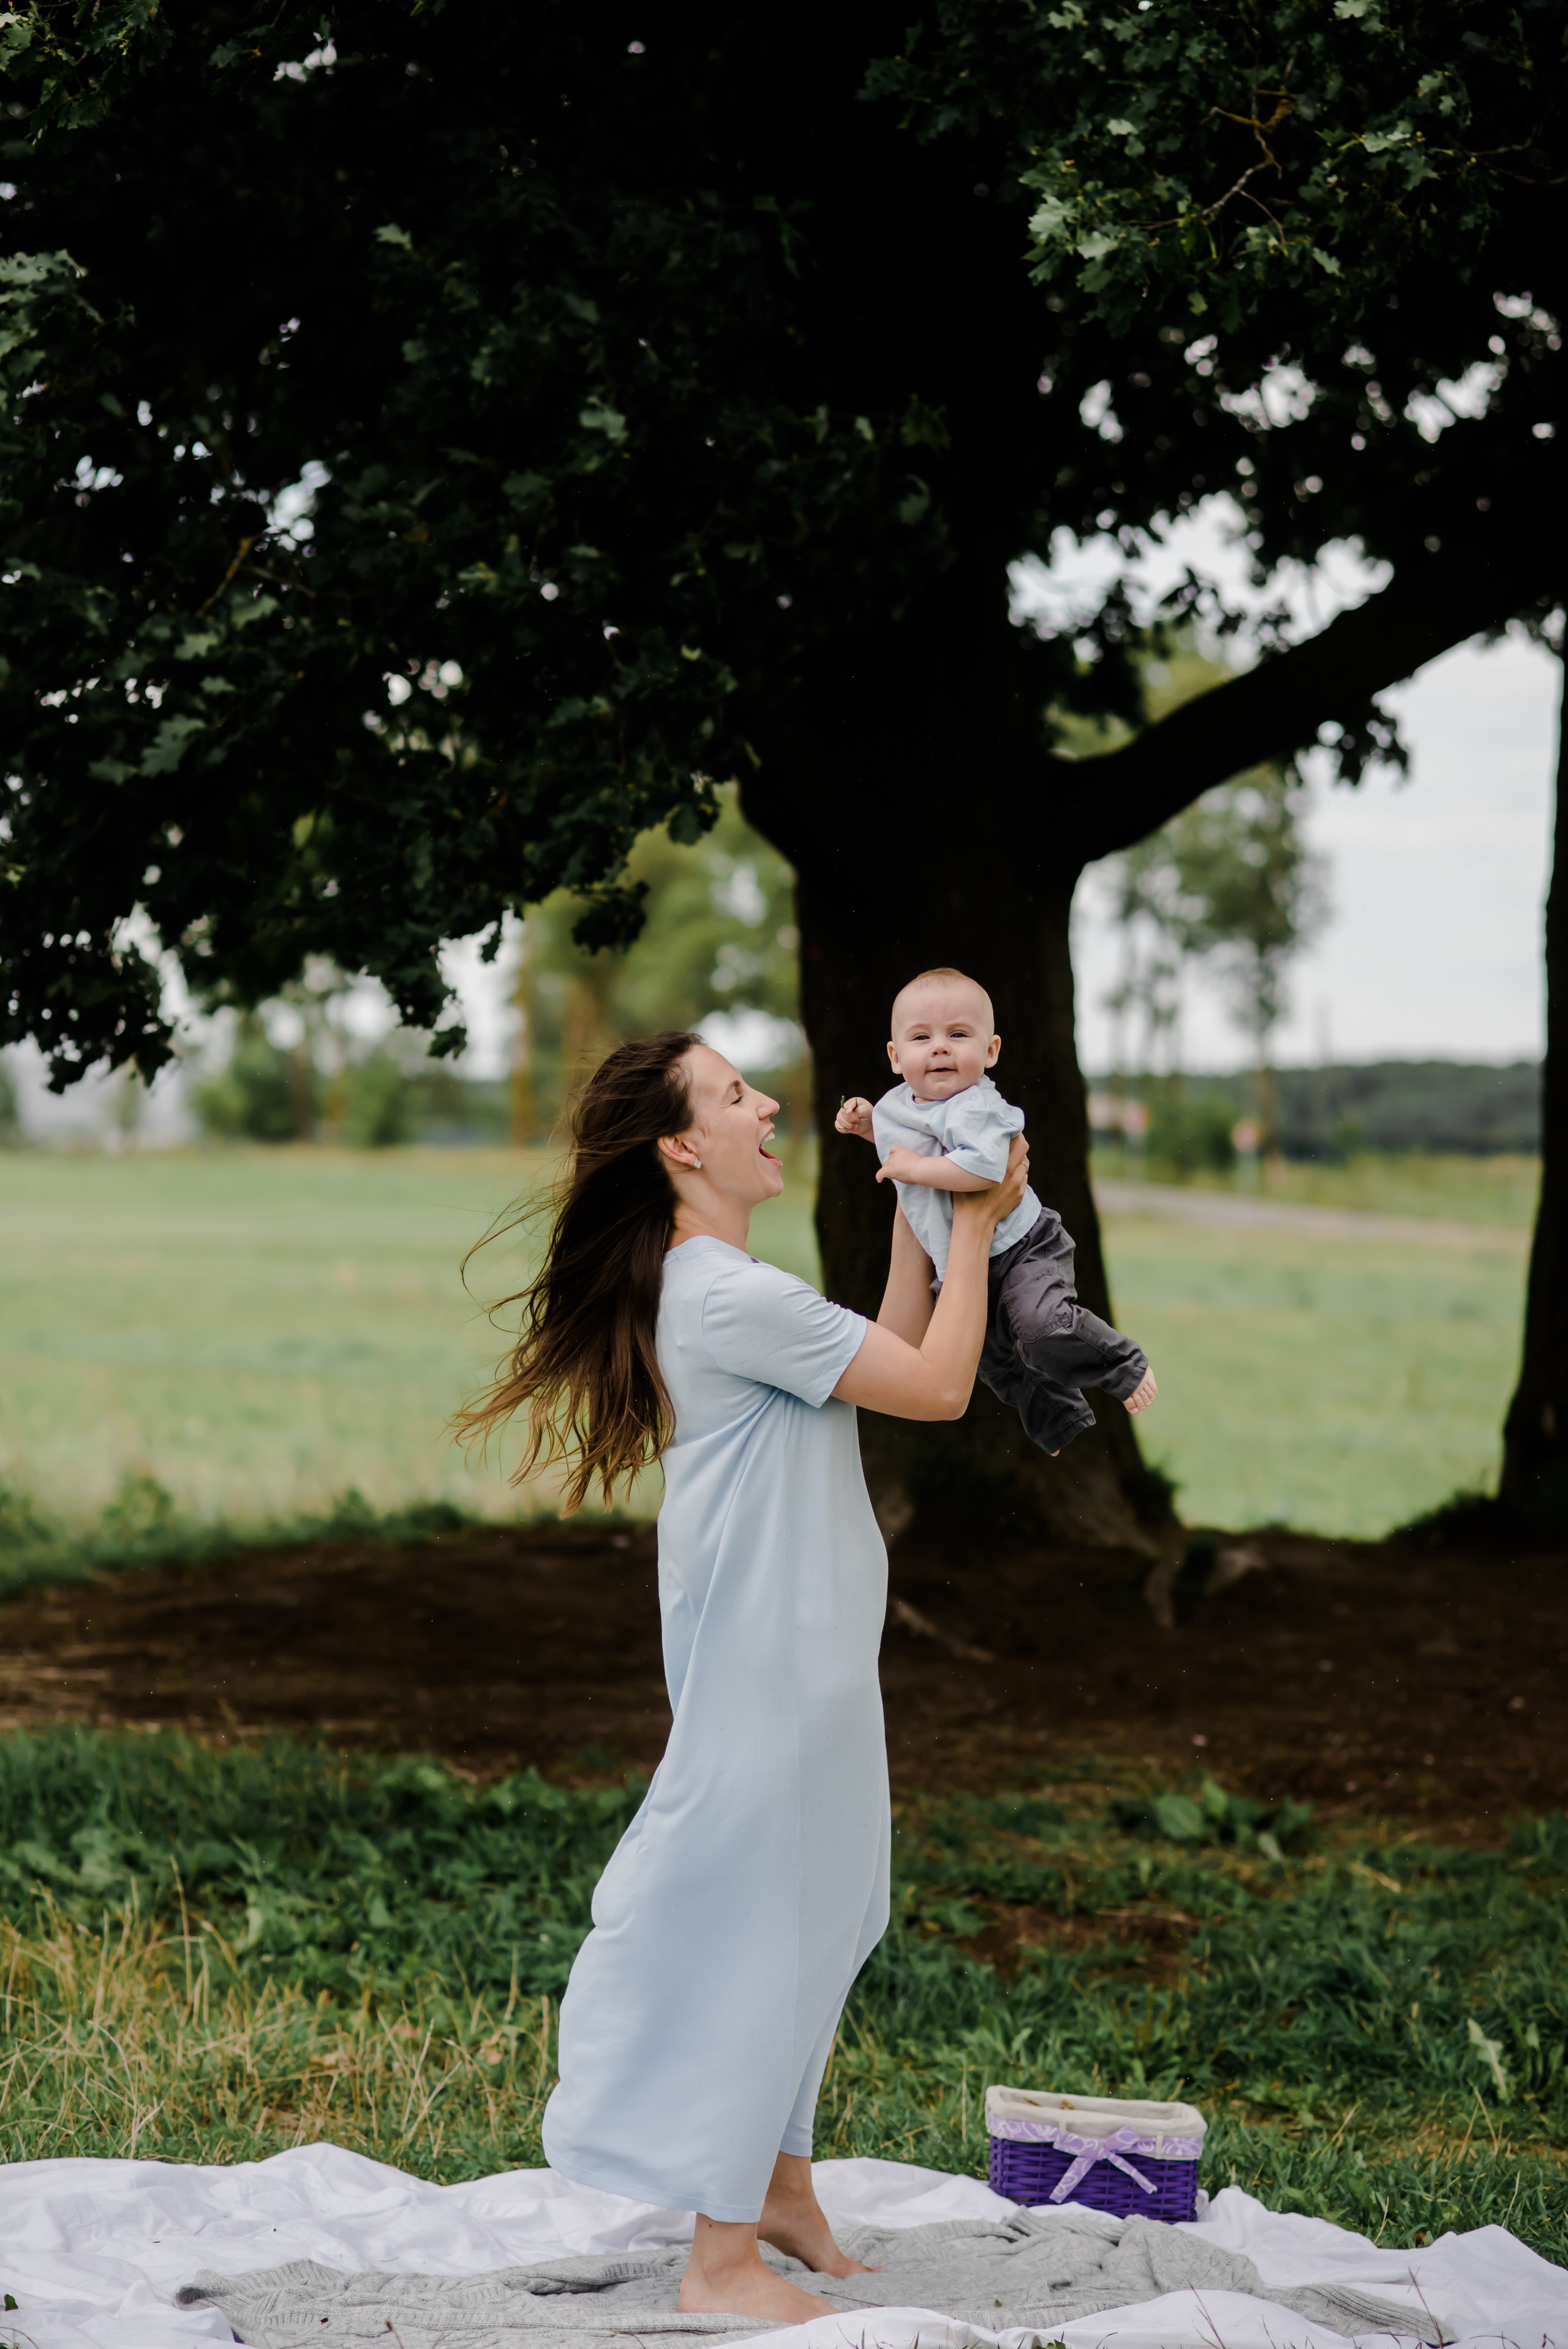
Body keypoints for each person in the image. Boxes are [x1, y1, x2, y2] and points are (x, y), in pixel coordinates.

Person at [456, 1030, 1029, 2324]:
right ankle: (718, 2263)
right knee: (764, 1930)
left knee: (832, 1909)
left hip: (807, 1658)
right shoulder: (720, 1294)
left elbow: (878, 1359)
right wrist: (977, 1220)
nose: (766, 1103)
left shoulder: (729, 1284)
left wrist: (922, 1211)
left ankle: (780, 2192)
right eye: (732, 1094)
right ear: (681, 1145)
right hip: (772, 1665)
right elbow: (939, 1387)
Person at [835, 966, 1158, 1458]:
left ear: (990, 1051)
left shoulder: (976, 1105)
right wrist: (867, 1126)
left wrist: (917, 1169)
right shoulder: (898, 1105)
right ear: (896, 1057)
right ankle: (1057, 1417)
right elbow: (903, 1135)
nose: (939, 1048)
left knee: (1041, 1326)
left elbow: (985, 1170)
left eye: (958, 1034)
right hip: (961, 1262)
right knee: (991, 1359)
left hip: (1022, 1247)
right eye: (922, 1037)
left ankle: (1123, 1364)